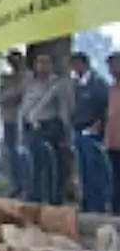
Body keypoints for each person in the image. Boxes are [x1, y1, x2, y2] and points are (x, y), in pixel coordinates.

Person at [18, 52, 74, 205]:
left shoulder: (58, 84)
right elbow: (24, 109)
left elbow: (65, 108)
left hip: (51, 127)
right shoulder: (31, 84)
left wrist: (66, 133)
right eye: (40, 63)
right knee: (34, 165)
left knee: (54, 167)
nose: (43, 66)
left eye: (46, 62)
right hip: (34, 128)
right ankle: (34, 197)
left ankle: (54, 199)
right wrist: (22, 131)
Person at [70, 52, 111, 213]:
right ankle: (87, 203)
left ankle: (98, 204)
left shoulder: (98, 84)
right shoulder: (76, 85)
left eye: (76, 65)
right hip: (79, 129)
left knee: (95, 170)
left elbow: (105, 107)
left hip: (93, 130)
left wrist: (98, 124)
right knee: (83, 170)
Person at [0, 51, 28, 195]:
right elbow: (2, 97)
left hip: (23, 120)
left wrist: (13, 96)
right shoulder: (6, 78)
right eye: (11, 61)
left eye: (17, 61)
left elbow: (24, 94)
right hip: (9, 119)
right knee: (11, 154)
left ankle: (27, 184)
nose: (14, 64)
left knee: (23, 153)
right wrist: (13, 96)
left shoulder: (27, 77)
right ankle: (16, 185)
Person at [104, 53, 120, 214]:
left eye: (114, 66)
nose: (112, 71)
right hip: (113, 141)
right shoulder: (112, 89)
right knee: (115, 178)